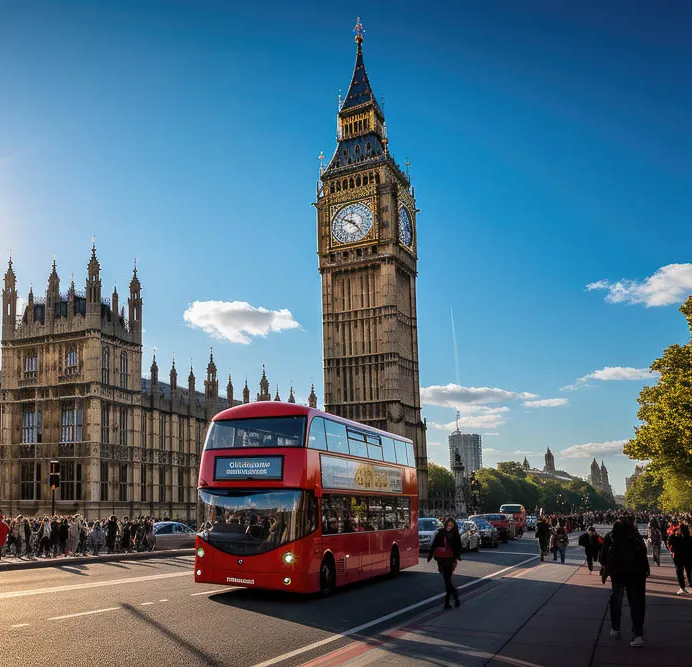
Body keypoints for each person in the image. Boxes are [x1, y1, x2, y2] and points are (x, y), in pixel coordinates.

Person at [599, 516, 649, 648]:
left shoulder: (610, 537)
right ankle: (637, 634)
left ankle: (616, 629)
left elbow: (602, 557)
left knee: (616, 600)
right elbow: (643, 554)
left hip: (617, 574)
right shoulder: (636, 537)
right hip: (636, 574)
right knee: (636, 603)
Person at [427, 518, 462, 610]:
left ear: (453, 526)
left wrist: (457, 556)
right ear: (445, 524)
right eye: (448, 525)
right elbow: (434, 545)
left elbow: (458, 547)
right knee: (447, 582)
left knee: (447, 581)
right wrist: (430, 556)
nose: (449, 527)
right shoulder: (441, 533)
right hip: (441, 560)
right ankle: (454, 597)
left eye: (451, 525)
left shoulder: (455, 535)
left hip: (450, 560)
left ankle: (448, 602)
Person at [667, 523, 692, 595]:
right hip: (689, 557)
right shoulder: (690, 539)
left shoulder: (675, 538)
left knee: (679, 572)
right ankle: (690, 585)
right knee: (689, 571)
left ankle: (682, 587)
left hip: (678, 557)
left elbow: (669, 541)